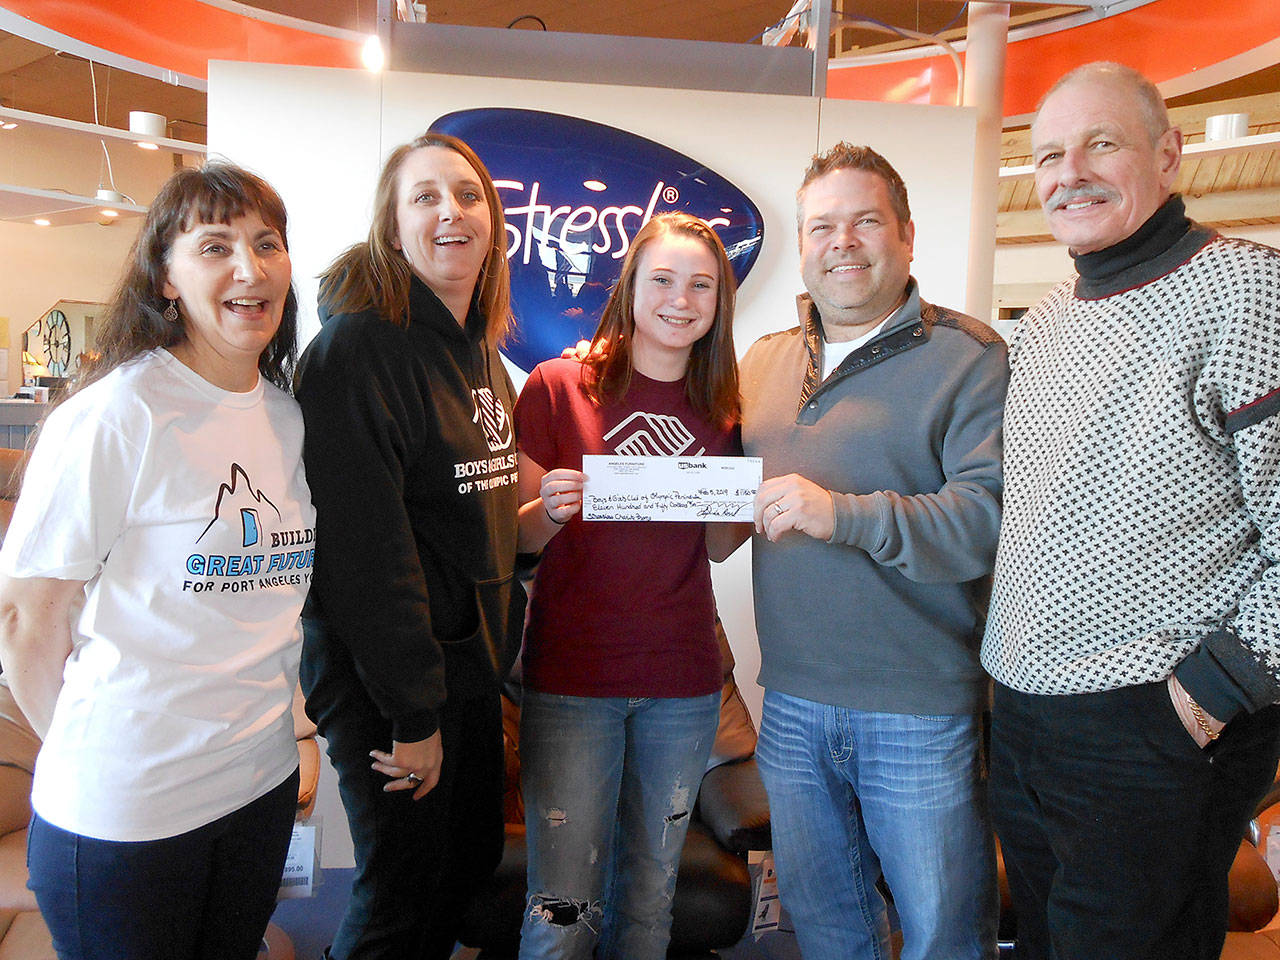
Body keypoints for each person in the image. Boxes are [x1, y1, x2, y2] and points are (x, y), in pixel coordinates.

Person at [982, 61, 1280, 960]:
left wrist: (1205, 699)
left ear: (1169, 154)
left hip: (1154, 723)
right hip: (1025, 717)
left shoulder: (1249, 293)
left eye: (1100, 143)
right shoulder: (1043, 325)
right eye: (1047, 155)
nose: (1068, 171)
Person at [0, 161, 313, 960]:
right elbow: (26, 618)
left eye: (265, 244)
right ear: (166, 278)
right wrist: (90, 755)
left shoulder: (286, 417)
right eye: (215, 247)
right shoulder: (115, 416)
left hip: (257, 788)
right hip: (127, 810)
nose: (249, 269)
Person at [739, 143, 1006, 960]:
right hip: (788, 703)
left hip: (918, 708)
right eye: (822, 226)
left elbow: (984, 522)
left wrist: (842, 515)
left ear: (907, 235)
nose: (842, 242)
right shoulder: (763, 360)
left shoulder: (972, 356)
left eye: (865, 221)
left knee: (942, 937)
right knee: (826, 930)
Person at [294, 132, 524, 960]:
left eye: (467, 195)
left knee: (462, 871)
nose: (450, 212)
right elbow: (367, 558)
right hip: (389, 686)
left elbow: (471, 524)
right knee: (400, 896)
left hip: (463, 675)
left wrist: (543, 523)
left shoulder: (481, 356)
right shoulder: (357, 352)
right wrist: (412, 715)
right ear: (392, 229)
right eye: (424, 197)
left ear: (493, 223)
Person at [513, 211, 741, 960]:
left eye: (701, 285)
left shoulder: (726, 408)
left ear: (720, 300)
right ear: (630, 288)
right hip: (574, 679)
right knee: (562, 910)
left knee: (650, 907)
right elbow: (517, 540)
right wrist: (546, 508)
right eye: (664, 280)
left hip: (683, 683)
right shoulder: (556, 387)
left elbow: (718, 547)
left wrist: (749, 502)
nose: (682, 299)